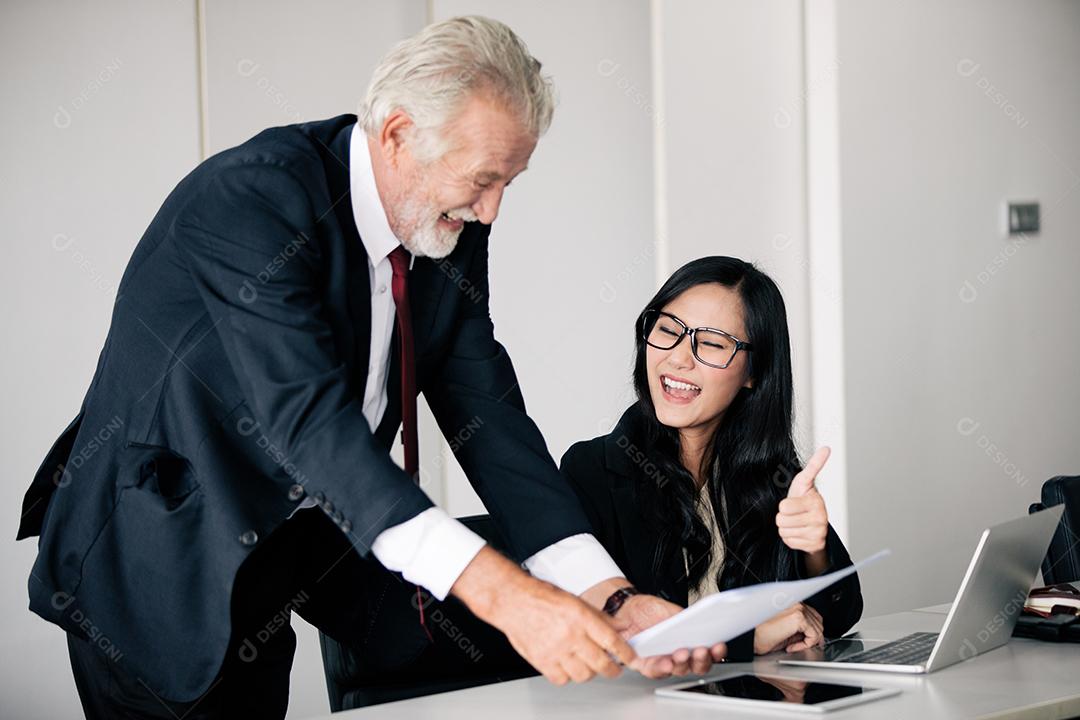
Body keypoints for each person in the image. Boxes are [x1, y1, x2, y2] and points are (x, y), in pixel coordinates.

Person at [17, 17, 719, 719]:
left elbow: (490, 418)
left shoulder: (447, 221)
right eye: (482, 179)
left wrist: (609, 597)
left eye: (509, 181)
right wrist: (511, 598)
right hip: (163, 552)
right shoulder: (250, 200)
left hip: (298, 542)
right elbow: (309, 425)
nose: (491, 209)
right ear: (397, 135)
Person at [561, 256, 863, 668]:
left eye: (712, 344)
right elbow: (603, 633)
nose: (679, 358)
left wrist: (814, 552)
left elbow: (840, 618)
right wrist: (743, 639)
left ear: (754, 372)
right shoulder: (593, 469)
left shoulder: (771, 475)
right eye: (667, 330)